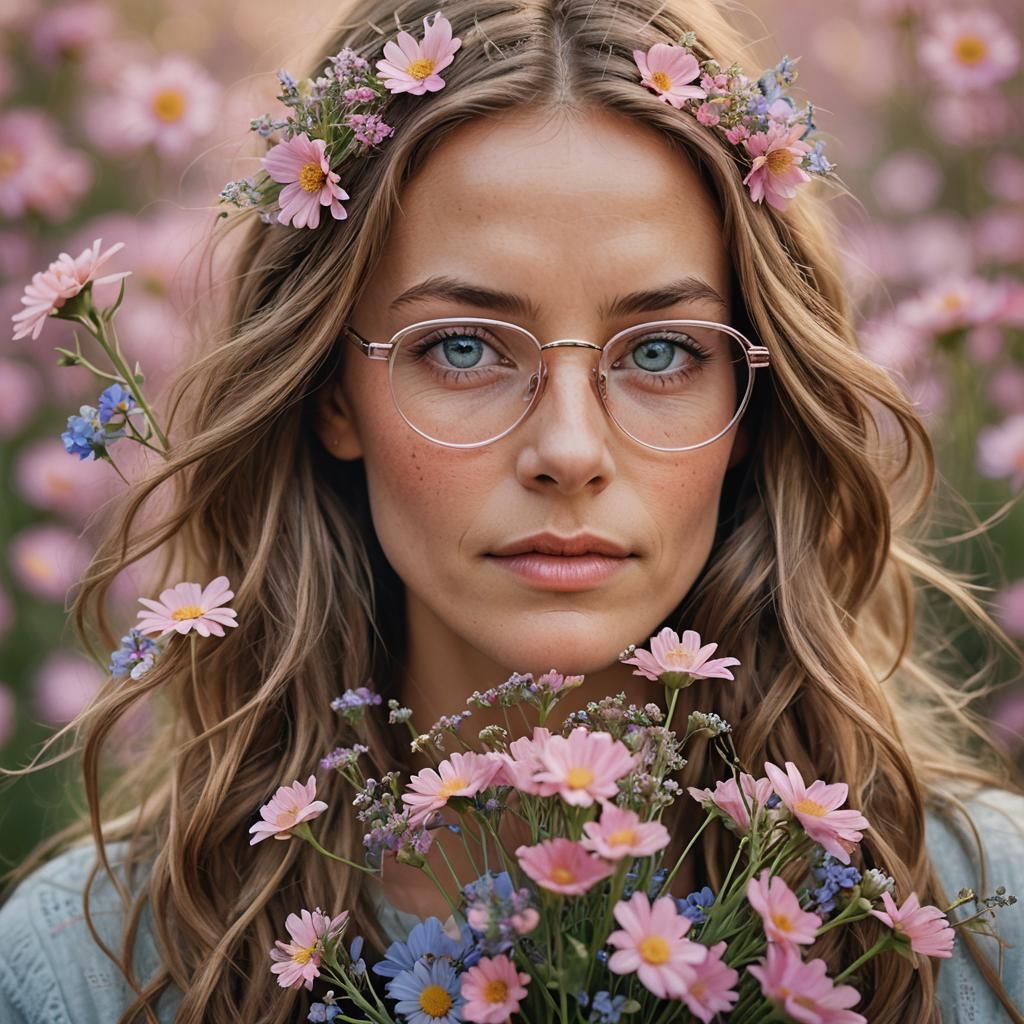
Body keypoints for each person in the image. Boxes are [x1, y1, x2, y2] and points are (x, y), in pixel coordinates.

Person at [1, 1, 1023, 1022]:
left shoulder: (987, 933)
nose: (570, 452)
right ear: (328, 394)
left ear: (752, 406)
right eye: (463, 347)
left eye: (663, 352)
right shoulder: (89, 973)